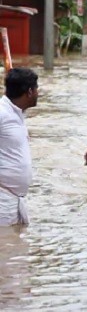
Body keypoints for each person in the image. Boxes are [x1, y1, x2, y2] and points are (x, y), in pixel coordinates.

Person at [0, 68, 39, 226]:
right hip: (2, 197)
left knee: (15, 246)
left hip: (15, 199)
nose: (38, 94)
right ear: (29, 92)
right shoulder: (2, 113)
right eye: (37, 89)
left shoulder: (17, 114)